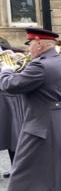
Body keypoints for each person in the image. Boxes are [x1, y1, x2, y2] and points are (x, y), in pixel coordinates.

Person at [0, 28, 61, 191]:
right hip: (60, 117)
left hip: (41, 122)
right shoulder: (60, 60)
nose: (29, 48)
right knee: (58, 167)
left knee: (25, 169)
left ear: (41, 44)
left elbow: (11, 86)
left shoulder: (40, 66)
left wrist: (6, 69)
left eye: (31, 44)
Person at [0, 46, 24, 178]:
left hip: (8, 103)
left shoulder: (11, 62)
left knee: (13, 137)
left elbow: (11, 83)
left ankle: (17, 168)